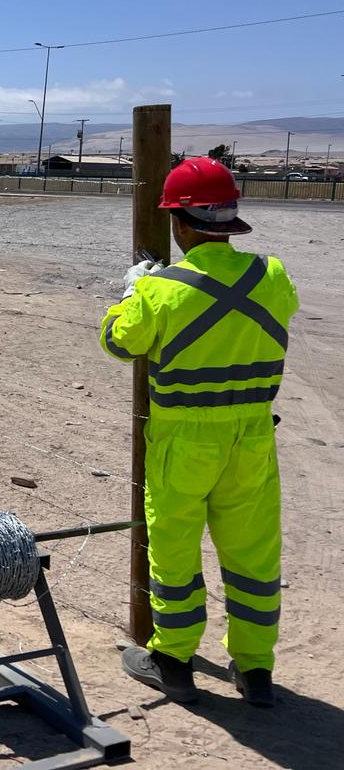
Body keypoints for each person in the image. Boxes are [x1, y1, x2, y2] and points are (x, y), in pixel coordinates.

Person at [100, 157, 298, 708]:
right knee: (255, 557)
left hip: (184, 442)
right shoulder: (274, 276)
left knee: (174, 551)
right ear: (231, 221)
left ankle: (173, 661)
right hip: (252, 439)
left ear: (179, 224)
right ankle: (256, 669)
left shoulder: (162, 290)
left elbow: (118, 343)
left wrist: (133, 293)